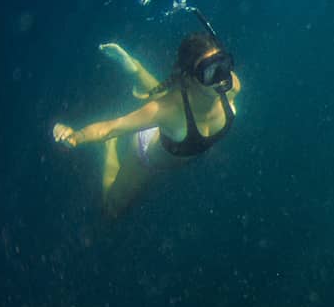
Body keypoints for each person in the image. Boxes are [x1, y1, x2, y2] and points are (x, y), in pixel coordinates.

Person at [52, 28, 241, 217]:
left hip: (176, 125)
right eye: (210, 71)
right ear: (189, 79)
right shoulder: (167, 110)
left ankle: (136, 70)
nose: (222, 77)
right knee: (112, 210)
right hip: (146, 156)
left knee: (171, 104)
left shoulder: (231, 86)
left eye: (224, 64)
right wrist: (75, 137)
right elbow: (110, 128)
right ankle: (109, 149)